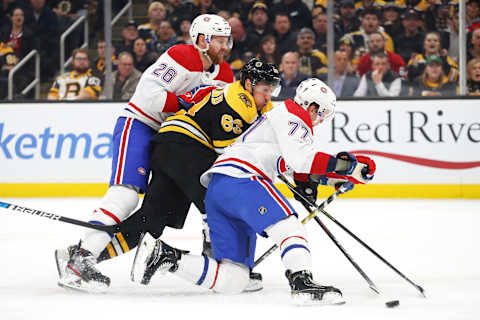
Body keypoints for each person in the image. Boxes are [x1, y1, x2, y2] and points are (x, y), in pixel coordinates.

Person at [131, 78, 376, 305]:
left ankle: (167, 256)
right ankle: (302, 283)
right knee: (289, 226)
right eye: (322, 113)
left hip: (218, 190)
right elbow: (303, 161)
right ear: (311, 106)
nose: (320, 120)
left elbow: (291, 167)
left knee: (234, 279)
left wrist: (336, 179)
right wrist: (350, 166)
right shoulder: (294, 115)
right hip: (242, 180)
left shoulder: (276, 122)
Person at [54, 14, 235, 293]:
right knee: (125, 194)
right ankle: (81, 260)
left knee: (154, 218)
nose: (225, 46)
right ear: (201, 40)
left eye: (227, 40)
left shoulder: (224, 75)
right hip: (140, 125)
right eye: (219, 41)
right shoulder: (183, 55)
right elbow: (149, 96)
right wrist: (188, 102)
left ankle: (76, 253)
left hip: (175, 141)